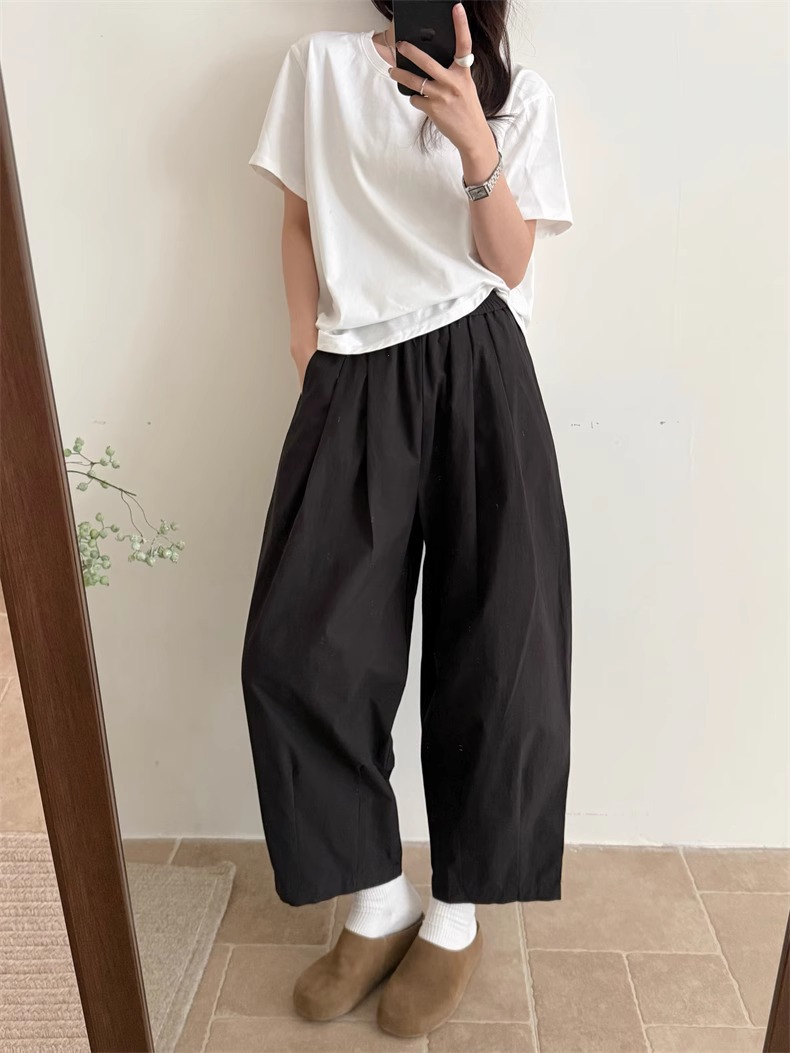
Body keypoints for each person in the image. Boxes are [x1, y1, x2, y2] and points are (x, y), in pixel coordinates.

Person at [241, 0, 573, 1038]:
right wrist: (308, 350)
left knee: (498, 653)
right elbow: (299, 220)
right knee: (300, 652)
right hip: (351, 373)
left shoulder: (521, 97)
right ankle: (379, 902)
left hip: (480, 366)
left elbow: (510, 262)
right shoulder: (320, 67)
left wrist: (476, 142)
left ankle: (456, 916)